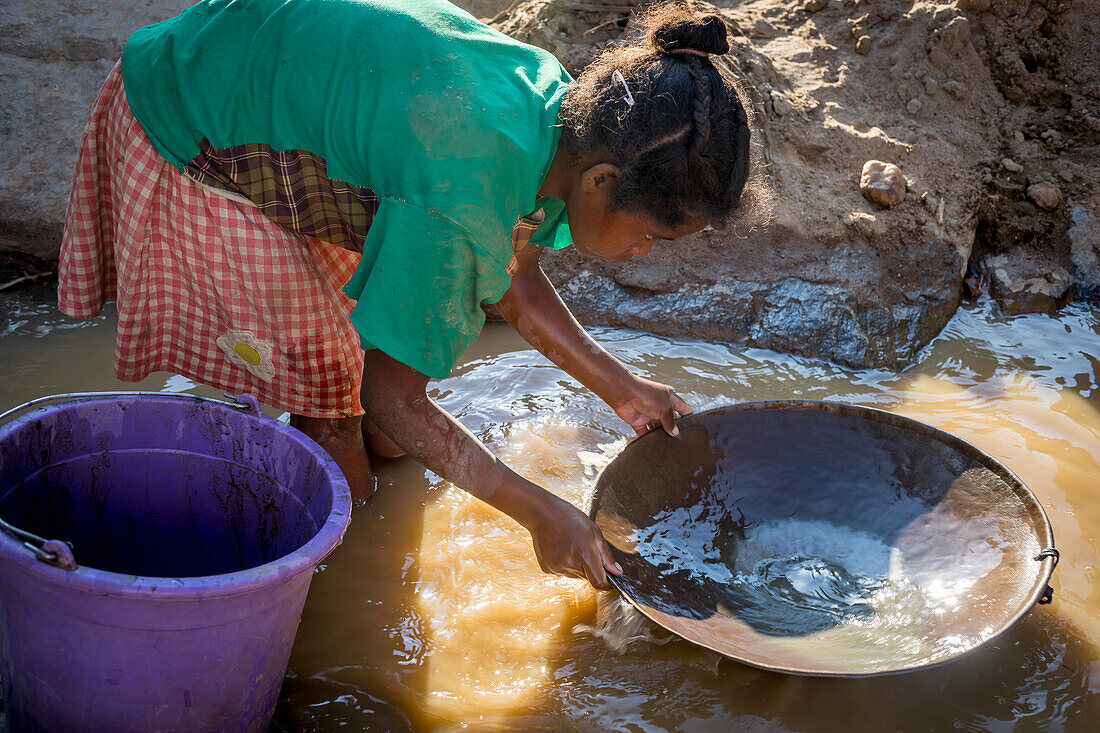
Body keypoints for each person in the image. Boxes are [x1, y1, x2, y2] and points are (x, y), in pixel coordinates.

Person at [58, 0, 753, 590]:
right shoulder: (465, 194)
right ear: (601, 182)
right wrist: (540, 510)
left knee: (387, 433)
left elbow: (513, 279)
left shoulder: (563, 118)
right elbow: (389, 390)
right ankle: (339, 571)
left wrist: (624, 388)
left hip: (285, 101)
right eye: (653, 237)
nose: (642, 255)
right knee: (336, 404)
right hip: (196, 125)